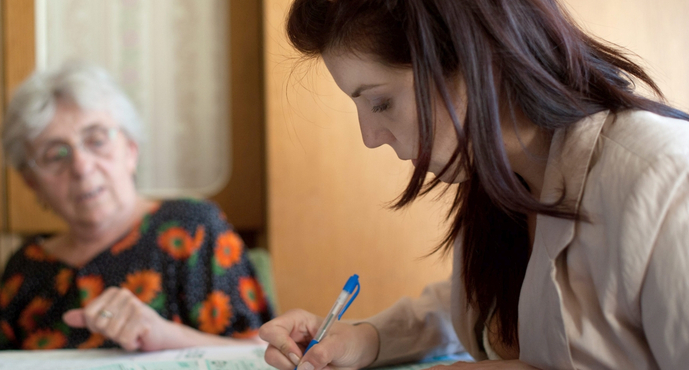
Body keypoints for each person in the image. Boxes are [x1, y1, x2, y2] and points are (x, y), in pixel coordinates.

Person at [259, 0, 689, 369]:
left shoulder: (665, 181)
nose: (370, 137)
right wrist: (367, 338)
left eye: (380, 102)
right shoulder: (502, 181)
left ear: (474, 59)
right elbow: (494, 310)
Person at [0, 61, 273, 351]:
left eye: (96, 140)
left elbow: (263, 355)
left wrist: (166, 336)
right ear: (32, 182)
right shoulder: (24, 268)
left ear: (131, 150)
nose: (81, 167)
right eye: (55, 155)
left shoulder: (193, 228)